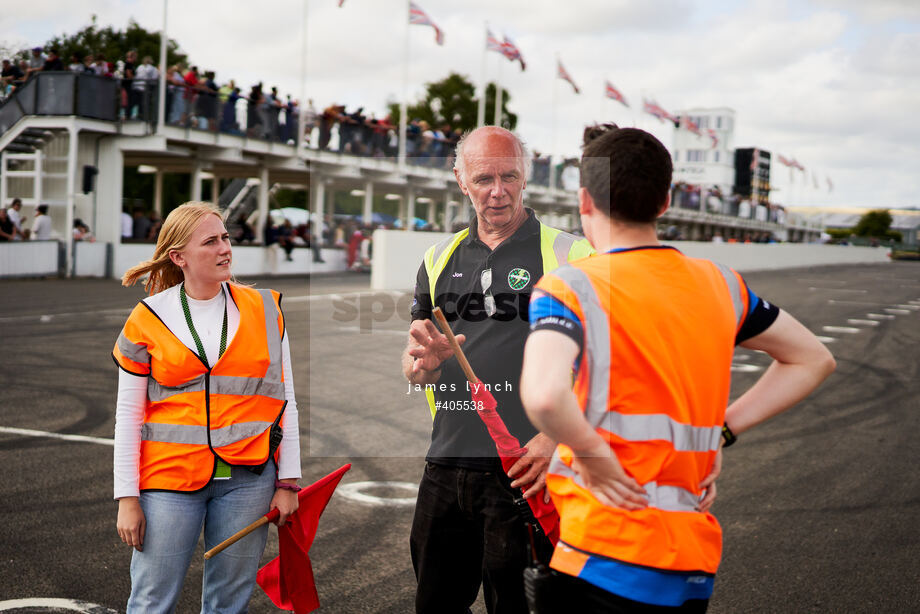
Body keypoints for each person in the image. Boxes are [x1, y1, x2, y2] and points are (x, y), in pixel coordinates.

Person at [519, 125, 836, 613]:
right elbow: (813, 358)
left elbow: (543, 395)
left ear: (585, 200)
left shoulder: (570, 286)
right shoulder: (722, 285)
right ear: (665, 201)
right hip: (689, 561)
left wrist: (592, 453)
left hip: (603, 552)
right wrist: (722, 432)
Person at [402, 126, 595, 614]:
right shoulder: (436, 257)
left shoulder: (574, 256)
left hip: (528, 470)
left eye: (509, 176)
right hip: (446, 462)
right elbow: (414, 361)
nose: (498, 190)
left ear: (525, 175)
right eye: (484, 177)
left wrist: (555, 439)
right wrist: (420, 365)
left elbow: (605, 364)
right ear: (460, 179)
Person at [112, 202, 302, 613]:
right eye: (211, 241)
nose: (225, 249)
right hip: (169, 481)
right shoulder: (147, 317)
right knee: (150, 600)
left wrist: (288, 482)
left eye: (226, 238)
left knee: (228, 603)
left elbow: (286, 402)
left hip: (248, 479)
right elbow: (128, 414)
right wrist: (127, 497)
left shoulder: (267, 309)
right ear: (179, 257)